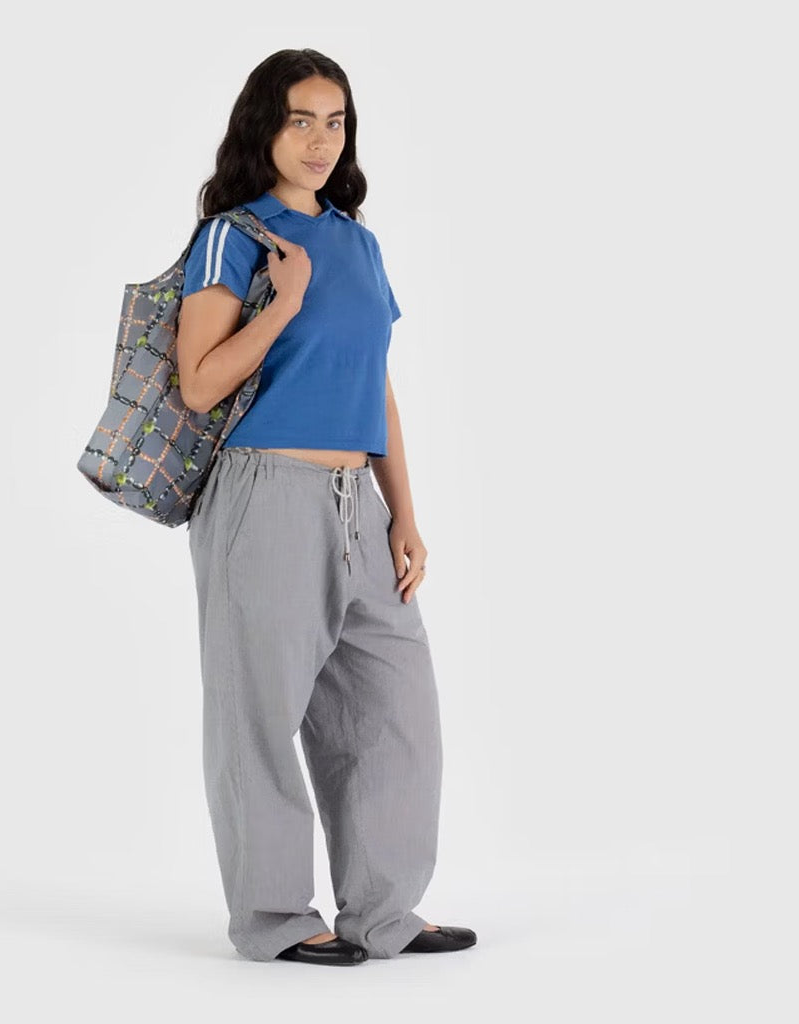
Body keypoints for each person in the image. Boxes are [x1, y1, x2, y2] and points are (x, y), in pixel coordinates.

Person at [177, 48, 477, 966]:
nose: (318, 139)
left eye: (334, 121)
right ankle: (273, 920)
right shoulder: (237, 236)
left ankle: (383, 912)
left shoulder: (358, 240)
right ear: (264, 124)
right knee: (259, 714)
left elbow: (374, 383)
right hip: (264, 494)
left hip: (359, 501)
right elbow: (197, 384)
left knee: (393, 713)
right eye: (300, 119)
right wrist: (283, 303)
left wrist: (406, 513)